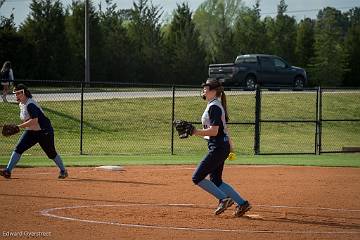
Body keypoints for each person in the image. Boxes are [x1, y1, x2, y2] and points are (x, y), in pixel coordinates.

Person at [191, 78, 251, 217]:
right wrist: (194, 133)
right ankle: (242, 204)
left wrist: (195, 131)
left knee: (197, 177)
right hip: (220, 146)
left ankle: (224, 199)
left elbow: (215, 131)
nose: (204, 90)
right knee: (216, 180)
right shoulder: (214, 105)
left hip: (218, 147)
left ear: (213, 91)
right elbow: (218, 131)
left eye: (206, 88)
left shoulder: (214, 107)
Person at [0, 84, 68, 179]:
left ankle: (63, 170)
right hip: (31, 132)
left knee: (51, 153)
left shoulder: (30, 104)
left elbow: (34, 120)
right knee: (18, 149)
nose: (16, 95)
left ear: (24, 93)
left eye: (18, 93)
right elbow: (27, 120)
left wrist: (18, 127)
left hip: (44, 131)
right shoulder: (21, 104)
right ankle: (8, 171)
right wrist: (21, 126)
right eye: (15, 93)